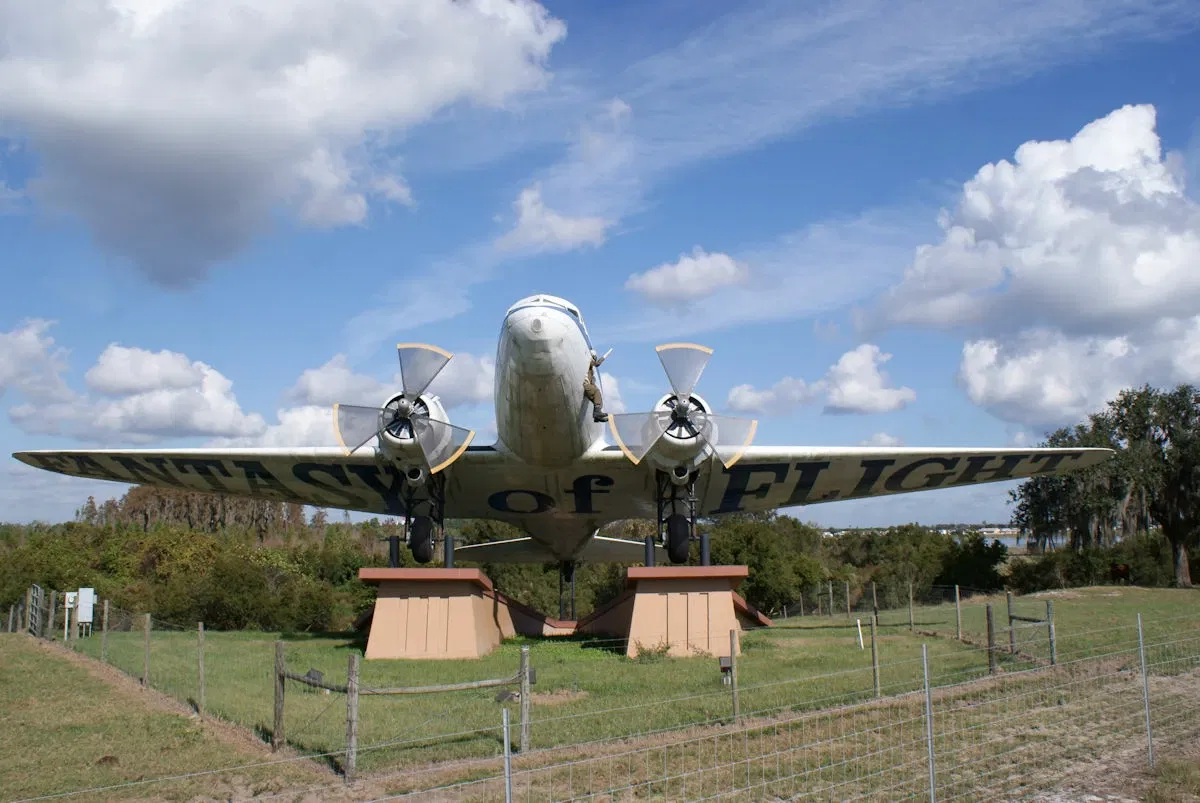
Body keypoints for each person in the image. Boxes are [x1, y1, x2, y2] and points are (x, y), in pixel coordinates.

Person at [583, 348, 608, 423]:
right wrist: (603, 358)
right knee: (596, 392)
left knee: (597, 398)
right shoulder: (589, 361)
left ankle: (597, 417)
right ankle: (596, 413)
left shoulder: (589, 368)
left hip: (588, 385)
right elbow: (597, 364)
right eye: (594, 357)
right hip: (586, 385)